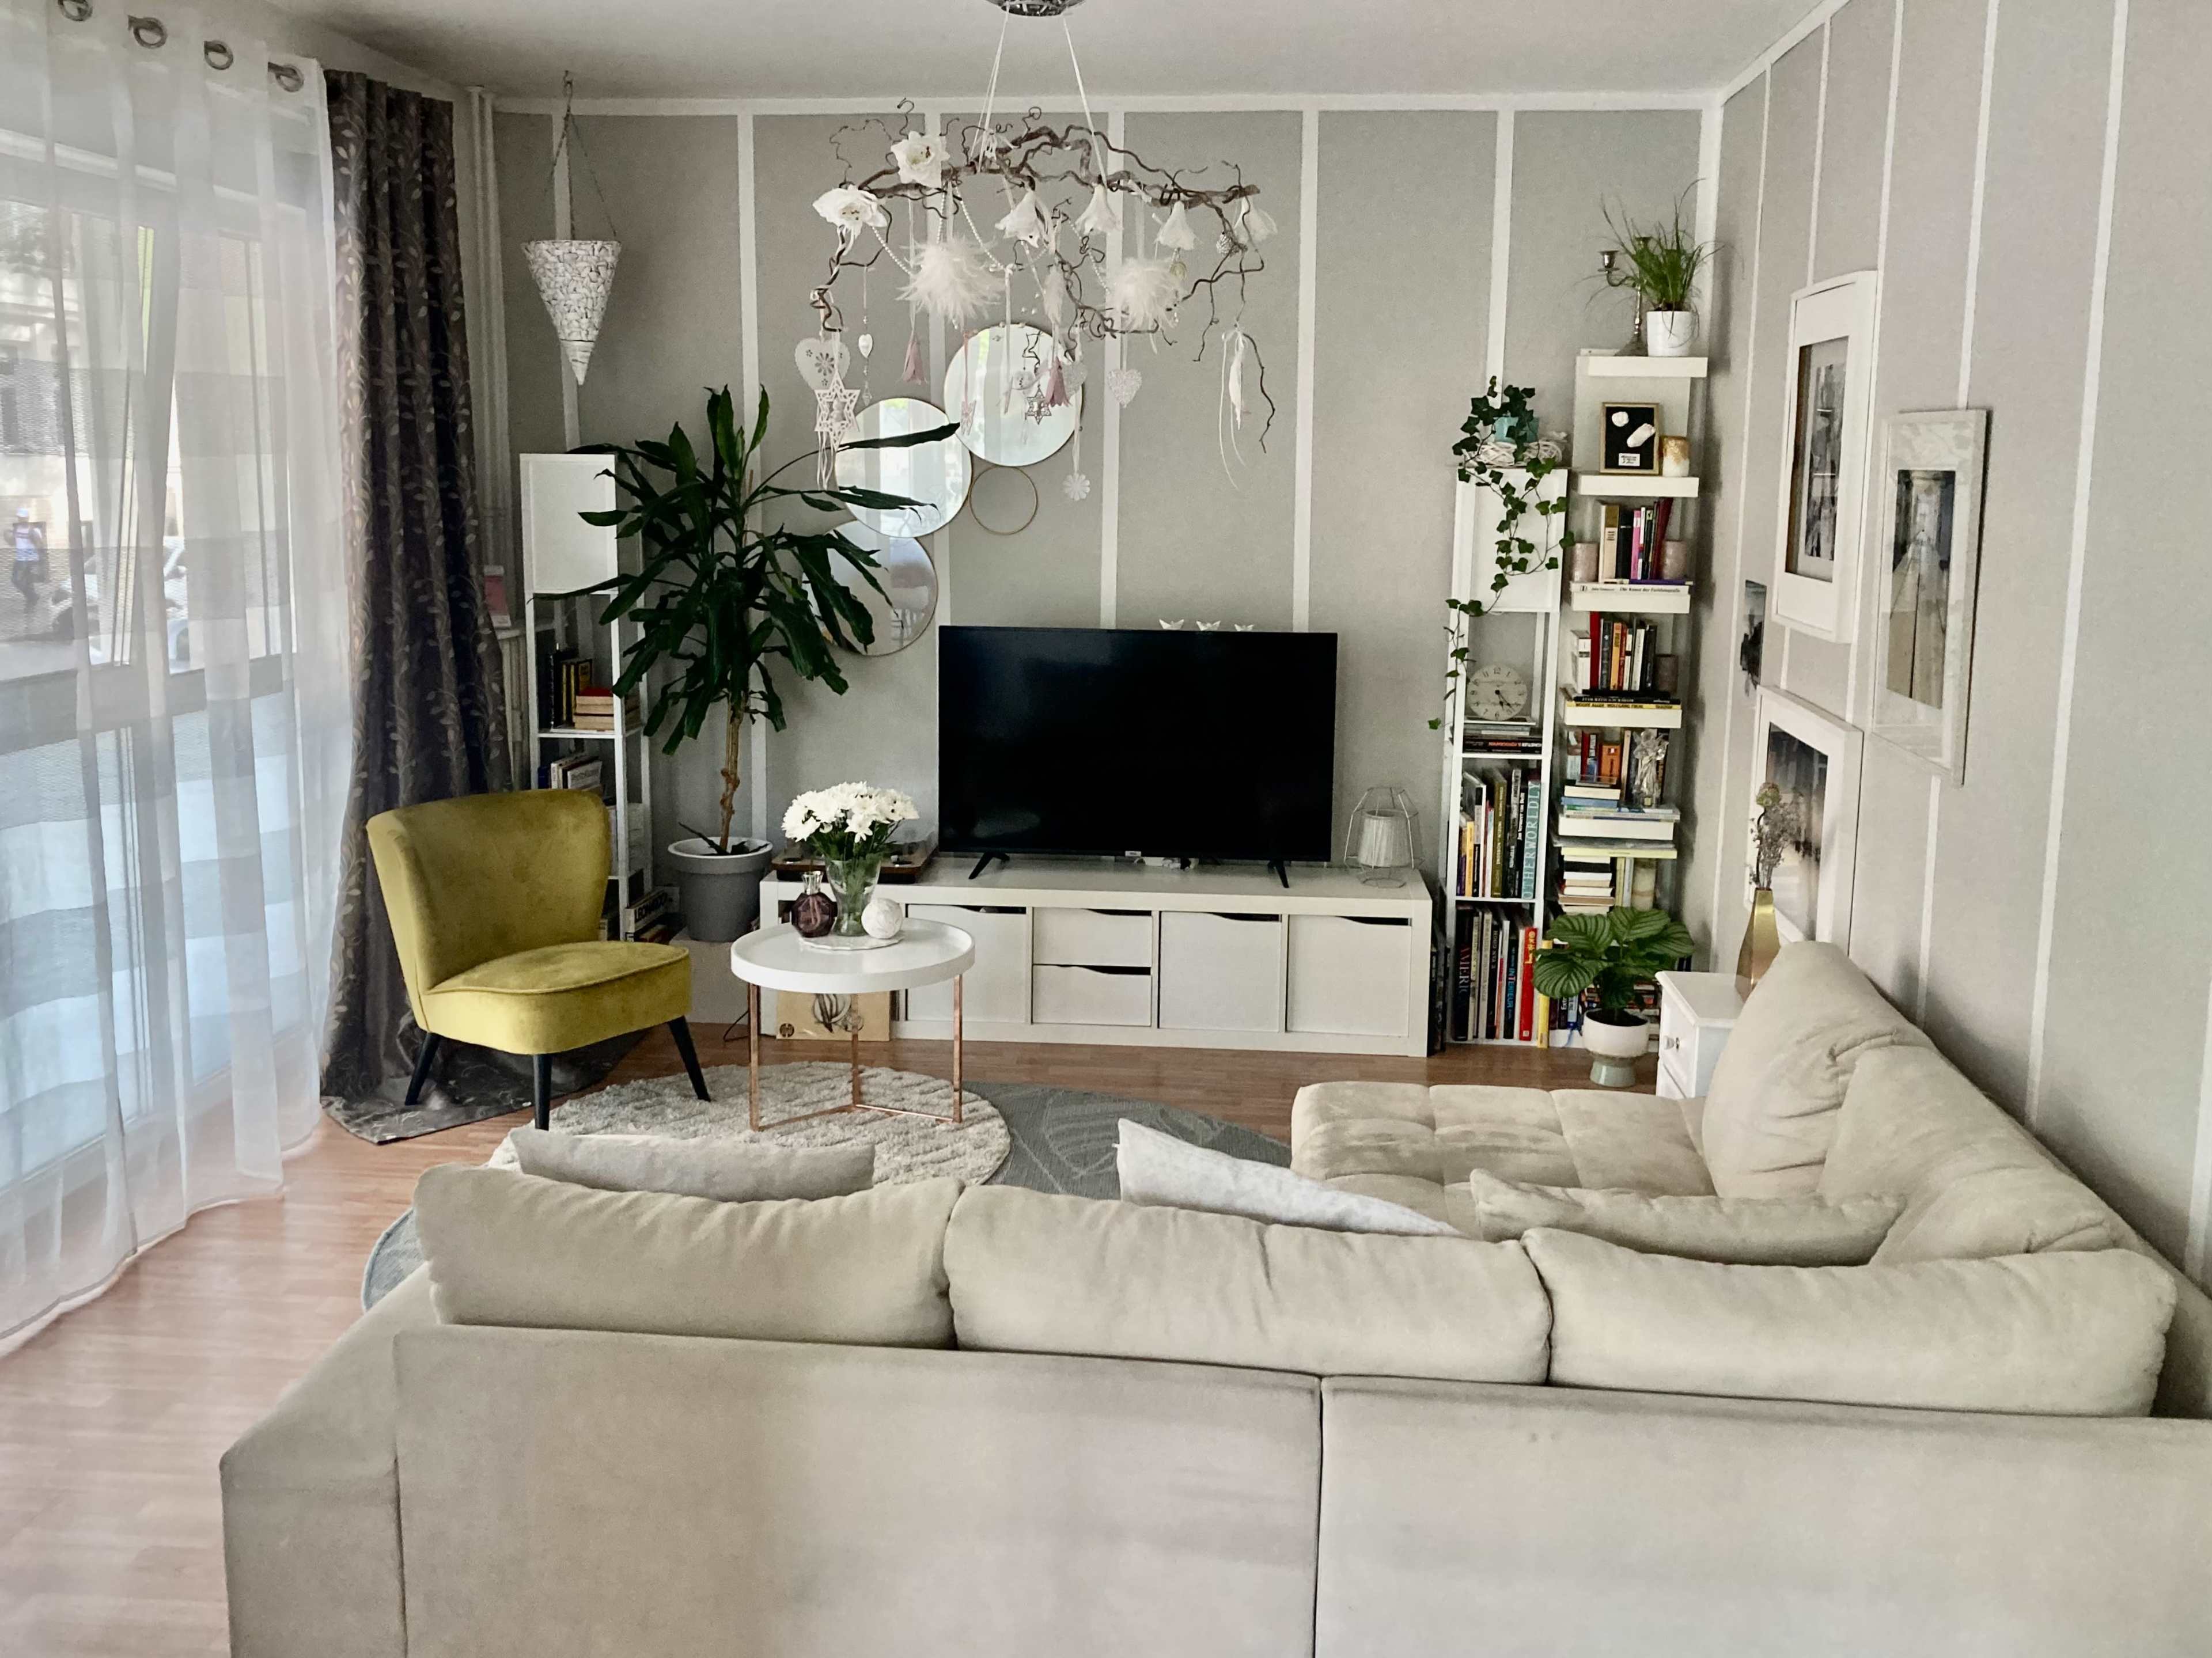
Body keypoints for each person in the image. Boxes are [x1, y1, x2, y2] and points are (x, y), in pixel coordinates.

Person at [10, 508, 43, 616]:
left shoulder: (32, 530)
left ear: (27, 518)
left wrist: (37, 561)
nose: (21, 520)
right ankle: (32, 598)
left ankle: (32, 598)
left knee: (18, 580)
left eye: (23, 518)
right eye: (19, 517)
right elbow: (14, 542)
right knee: (19, 580)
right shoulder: (17, 529)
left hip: (29, 559)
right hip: (20, 558)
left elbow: (39, 545)